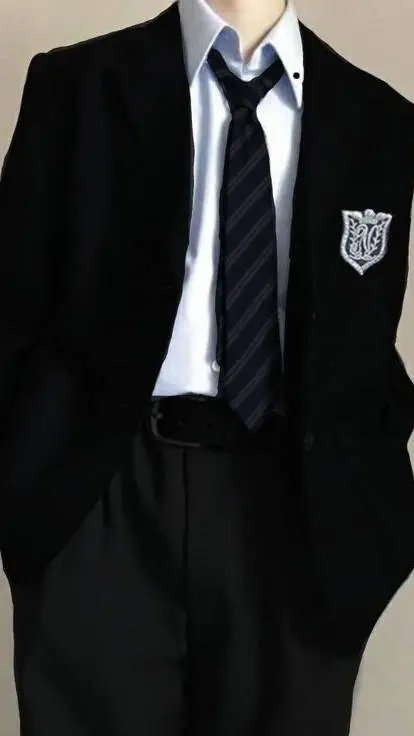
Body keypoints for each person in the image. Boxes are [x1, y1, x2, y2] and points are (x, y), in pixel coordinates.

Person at [0, 0, 413, 733]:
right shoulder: (78, 85)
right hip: (104, 496)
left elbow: (362, 337)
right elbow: (14, 303)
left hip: (296, 510)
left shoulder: (377, 118)